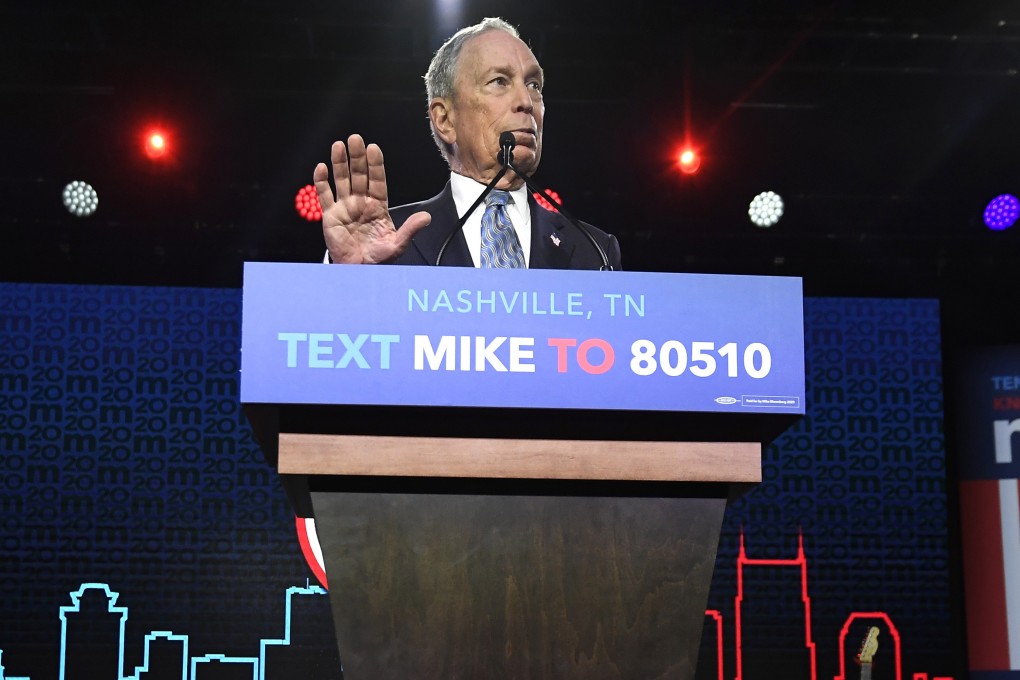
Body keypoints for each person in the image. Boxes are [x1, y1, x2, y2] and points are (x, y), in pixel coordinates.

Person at [312, 17, 621, 270]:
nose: (527, 102)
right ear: (445, 119)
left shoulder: (595, 251)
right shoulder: (389, 238)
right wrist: (345, 276)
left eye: (534, 84)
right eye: (499, 81)